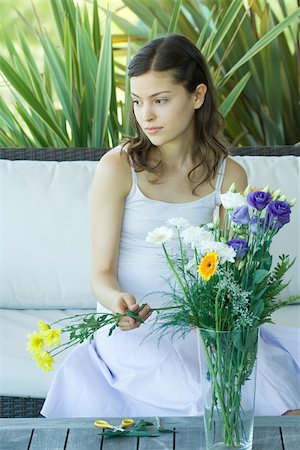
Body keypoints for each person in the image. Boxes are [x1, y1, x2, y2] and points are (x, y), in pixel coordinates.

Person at [41, 34, 300, 418]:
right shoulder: (119, 168)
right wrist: (117, 304)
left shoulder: (229, 175)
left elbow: (228, 274)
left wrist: (215, 319)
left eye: (160, 100)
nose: (145, 115)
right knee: (192, 392)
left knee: (273, 398)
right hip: (138, 331)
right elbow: (100, 274)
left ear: (197, 96)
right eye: (137, 101)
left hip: (202, 325)